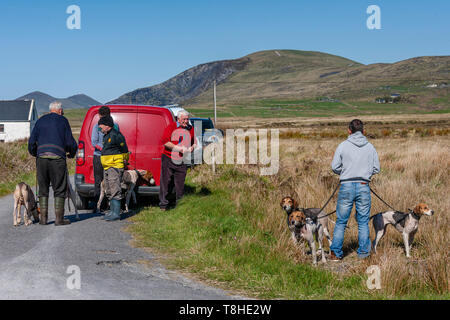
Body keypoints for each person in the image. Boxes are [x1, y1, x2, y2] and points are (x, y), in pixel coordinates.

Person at [329, 119, 380, 260]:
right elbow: (377, 168)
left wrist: (346, 173)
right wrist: (364, 174)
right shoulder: (370, 147)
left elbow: (334, 167)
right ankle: (364, 253)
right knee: (363, 221)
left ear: (349, 131)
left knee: (341, 221)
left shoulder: (342, 146)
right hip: (364, 186)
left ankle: (335, 253)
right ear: (363, 131)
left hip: (346, 186)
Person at [28, 101, 78, 226]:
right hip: (58, 158)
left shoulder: (40, 121)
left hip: (42, 158)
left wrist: (36, 153)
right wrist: (71, 154)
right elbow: (70, 142)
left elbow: (32, 141)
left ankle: (43, 220)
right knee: (59, 188)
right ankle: (59, 219)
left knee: (43, 188)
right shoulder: (63, 121)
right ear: (60, 110)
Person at [159, 110, 197, 211]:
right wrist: (179, 148)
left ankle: (179, 205)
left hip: (182, 159)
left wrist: (191, 148)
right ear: (178, 119)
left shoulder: (190, 128)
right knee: (166, 182)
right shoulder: (171, 127)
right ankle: (163, 205)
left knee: (180, 183)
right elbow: (165, 142)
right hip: (168, 158)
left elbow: (194, 142)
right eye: (184, 119)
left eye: (187, 119)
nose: (186, 121)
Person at [98, 115, 129, 221]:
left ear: (107, 125)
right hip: (107, 166)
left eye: (101, 126)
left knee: (115, 188)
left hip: (115, 166)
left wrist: (125, 160)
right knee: (109, 189)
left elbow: (124, 149)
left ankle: (116, 213)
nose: (100, 129)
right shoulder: (106, 136)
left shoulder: (117, 135)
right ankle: (111, 211)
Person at [91, 106, 119, 210]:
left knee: (102, 181)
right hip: (105, 156)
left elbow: (94, 142)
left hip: (101, 156)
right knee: (110, 180)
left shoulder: (98, 126)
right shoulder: (115, 126)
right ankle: (102, 205)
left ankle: (102, 205)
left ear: (100, 115)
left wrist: (104, 149)